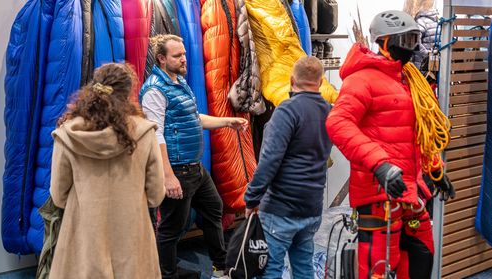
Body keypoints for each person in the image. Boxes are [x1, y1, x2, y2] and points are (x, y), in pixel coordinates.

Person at [326, 10, 454, 279]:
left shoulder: (407, 80)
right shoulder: (362, 80)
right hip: (379, 195)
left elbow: (416, 132)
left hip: (409, 191)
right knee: (377, 268)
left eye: (414, 39)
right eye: (405, 40)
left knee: (421, 258)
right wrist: (380, 165)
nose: (411, 48)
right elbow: (338, 123)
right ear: (384, 41)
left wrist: (435, 170)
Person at [139, 34, 248, 278]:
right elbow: (154, 135)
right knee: (171, 228)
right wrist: (167, 176)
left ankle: (221, 267)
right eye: (177, 56)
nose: (184, 59)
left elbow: (194, 118)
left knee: (213, 208)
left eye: (184, 54)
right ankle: (165, 274)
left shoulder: (178, 82)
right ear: (161, 59)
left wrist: (227, 122)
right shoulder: (154, 90)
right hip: (177, 169)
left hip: (194, 168)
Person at [49, 63, 165, 278]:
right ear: (128, 92)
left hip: (84, 237)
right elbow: (156, 194)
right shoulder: (144, 132)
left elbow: (58, 195)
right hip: (132, 235)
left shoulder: (68, 135)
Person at [244, 56, 333, 279]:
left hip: (281, 207)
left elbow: (269, 160)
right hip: (312, 206)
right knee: (304, 266)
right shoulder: (329, 112)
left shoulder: (287, 111)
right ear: (321, 82)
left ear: (292, 80)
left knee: (270, 268)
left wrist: (252, 198)